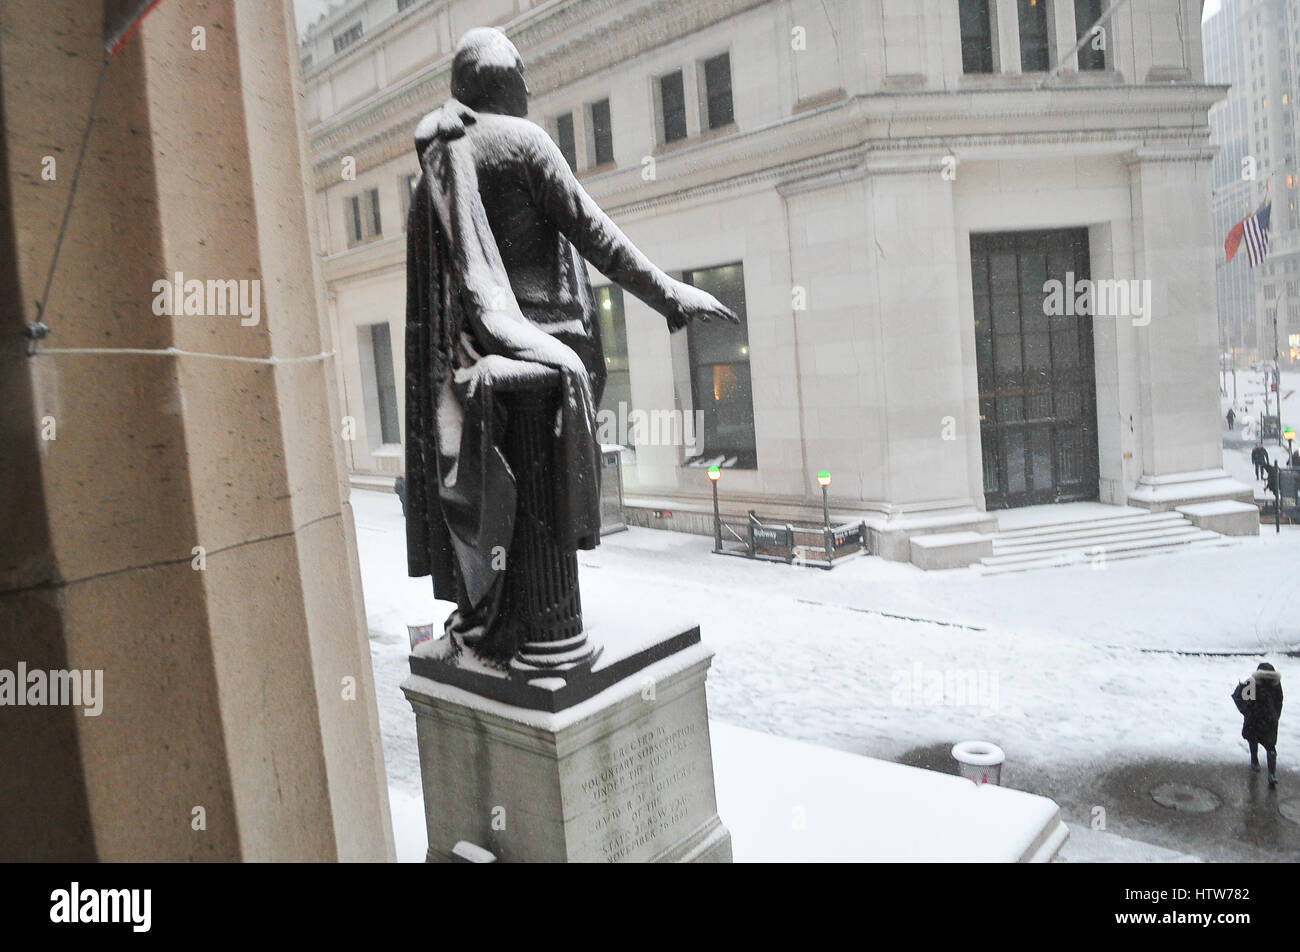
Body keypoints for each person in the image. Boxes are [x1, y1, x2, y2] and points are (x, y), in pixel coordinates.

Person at [403, 28, 737, 660]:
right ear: (501, 82)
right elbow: (595, 233)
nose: (529, 88)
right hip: (538, 349)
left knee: (505, 507)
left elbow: (431, 304)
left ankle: (493, 615)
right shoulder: (521, 142)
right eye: (522, 77)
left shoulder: (435, 170)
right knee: (540, 506)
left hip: (470, 361)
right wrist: (668, 293)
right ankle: (544, 634)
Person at [1232, 663, 1283, 788]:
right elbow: (1279, 701)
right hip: (1263, 719)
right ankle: (1266, 769)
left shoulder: (1257, 683)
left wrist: (1246, 710)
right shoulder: (1263, 684)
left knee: (1259, 742)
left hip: (1259, 719)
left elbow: (1238, 696)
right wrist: (1275, 715)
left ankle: (1261, 766)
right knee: (1268, 746)